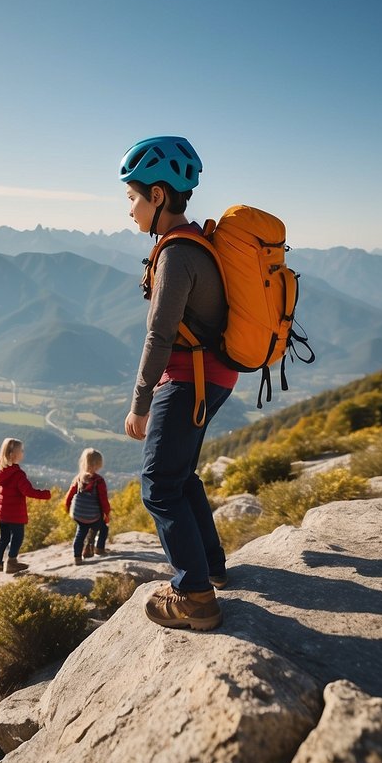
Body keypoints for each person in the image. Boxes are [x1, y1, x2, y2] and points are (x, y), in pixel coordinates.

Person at [120, 136, 236, 632]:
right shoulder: (194, 245)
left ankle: (194, 596)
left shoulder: (176, 255)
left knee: (158, 487)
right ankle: (209, 565)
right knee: (180, 475)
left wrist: (140, 404)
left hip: (189, 381)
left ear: (159, 195)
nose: (129, 210)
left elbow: (160, 334)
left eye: (133, 197)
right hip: (214, 377)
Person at [0, 438, 52, 573]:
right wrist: (45, 494)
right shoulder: (18, 475)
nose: (23, 453)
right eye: (21, 451)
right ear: (13, 455)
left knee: (4, 538)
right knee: (17, 537)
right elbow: (28, 491)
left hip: (2, 512)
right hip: (14, 514)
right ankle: (12, 562)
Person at [64, 448, 111, 565]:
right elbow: (103, 500)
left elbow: (69, 495)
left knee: (80, 533)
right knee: (103, 528)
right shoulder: (99, 481)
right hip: (93, 516)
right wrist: (107, 513)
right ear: (98, 464)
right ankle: (99, 549)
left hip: (78, 514)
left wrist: (67, 507)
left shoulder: (78, 478)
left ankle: (77, 557)